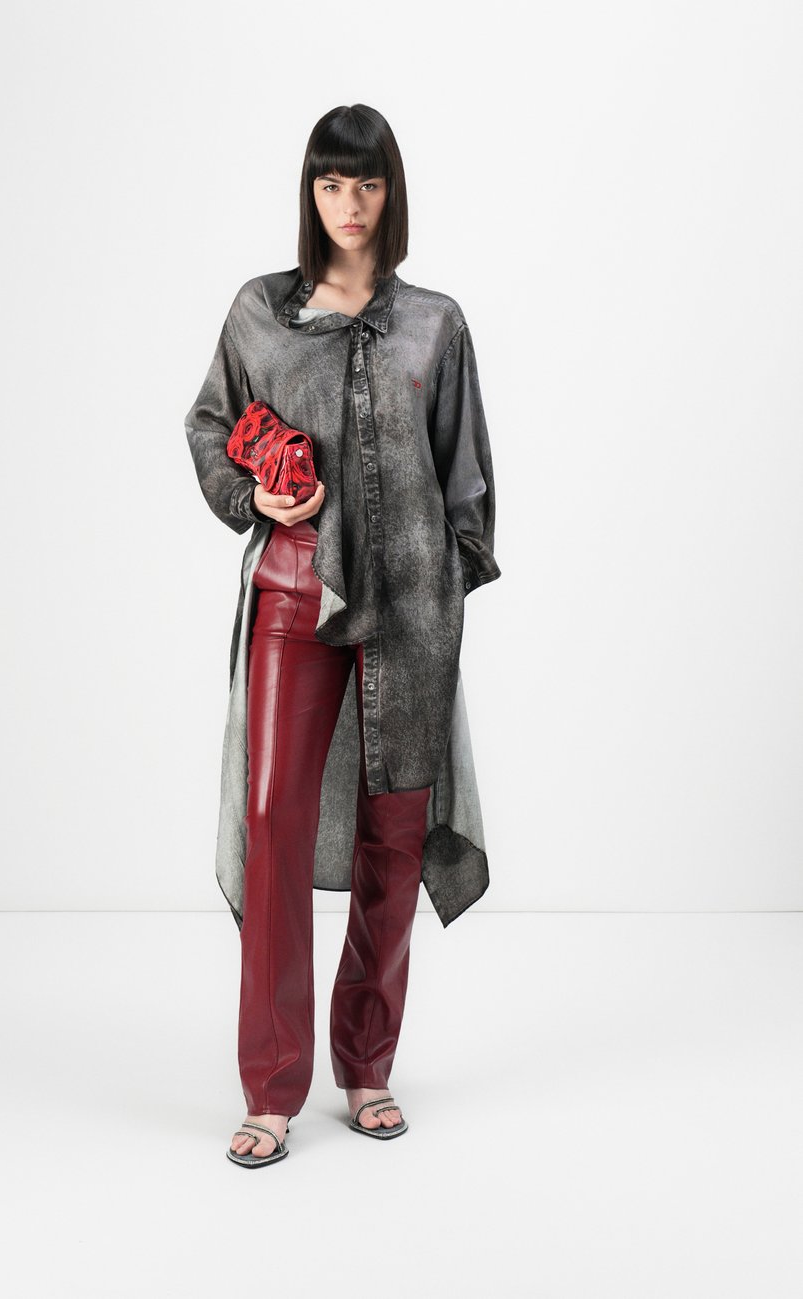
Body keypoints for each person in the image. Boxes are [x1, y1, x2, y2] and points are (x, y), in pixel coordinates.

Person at [184, 104, 501, 1168]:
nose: (349, 204)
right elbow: (208, 423)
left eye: (367, 184)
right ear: (309, 193)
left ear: (390, 193)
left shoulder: (437, 325)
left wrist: (443, 583)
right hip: (293, 597)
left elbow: (467, 481)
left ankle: (368, 1064)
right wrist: (253, 498)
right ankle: (272, 1087)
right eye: (331, 183)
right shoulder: (260, 313)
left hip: (410, 614)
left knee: (393, 834)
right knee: (273, 821)